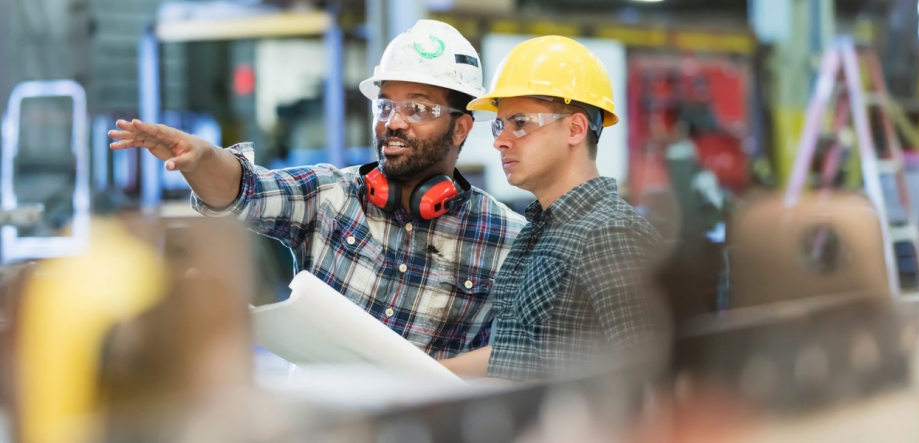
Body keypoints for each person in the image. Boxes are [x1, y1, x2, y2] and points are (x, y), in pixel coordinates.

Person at [107, 20, 526, 360]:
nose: (393, 122)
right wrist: (200, 158)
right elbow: (243, 189)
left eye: (417, 108)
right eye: (385, 105)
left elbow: (516, 359)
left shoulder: (507, 238)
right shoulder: (330, 195)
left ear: (462, 126)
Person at [439, 36, 671, 381]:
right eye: (501, 124)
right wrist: (417, 373)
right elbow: (515, 353)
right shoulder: (537, 231)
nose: (500, 140)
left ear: (575, 129)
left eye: (520, 123)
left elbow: (655, 374)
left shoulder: (609, 235)